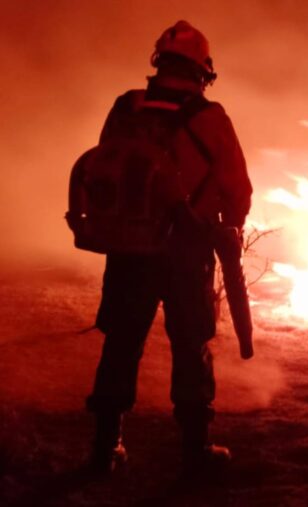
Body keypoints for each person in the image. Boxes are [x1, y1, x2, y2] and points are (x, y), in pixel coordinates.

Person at [85, 20, 252, 475]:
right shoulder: (211, 118)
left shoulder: (126, 107)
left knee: (121, 343)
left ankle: (105, 447)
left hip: (129, 247)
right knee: (191, 346)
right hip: (186, 252)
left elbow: (106, 163)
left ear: (158, 62)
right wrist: (228, 226)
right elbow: (239, 190)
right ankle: (195, 450)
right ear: (204, 70)